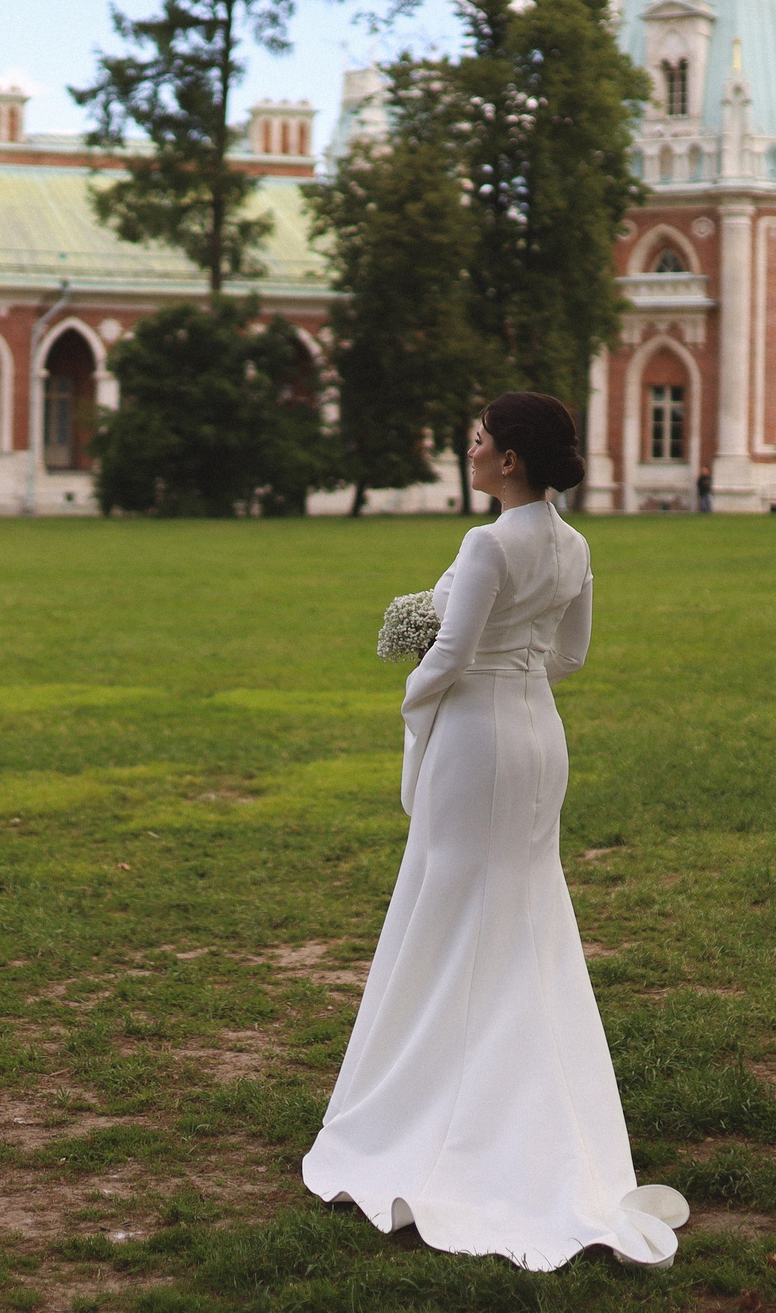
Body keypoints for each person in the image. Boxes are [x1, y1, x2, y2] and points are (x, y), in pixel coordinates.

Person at [302, 391, 688, 1271]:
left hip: (478, 740)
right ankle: (532, 1104)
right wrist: (522, 673)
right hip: (539, 735)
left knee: (451, 905)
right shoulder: (575, 543)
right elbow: (574, 655)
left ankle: (444, 1111)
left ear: (509, 458)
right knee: (521, 908)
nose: (467, 449)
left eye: (477, 440)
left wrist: (415, 705)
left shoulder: (487, 542)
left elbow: (451, 651)